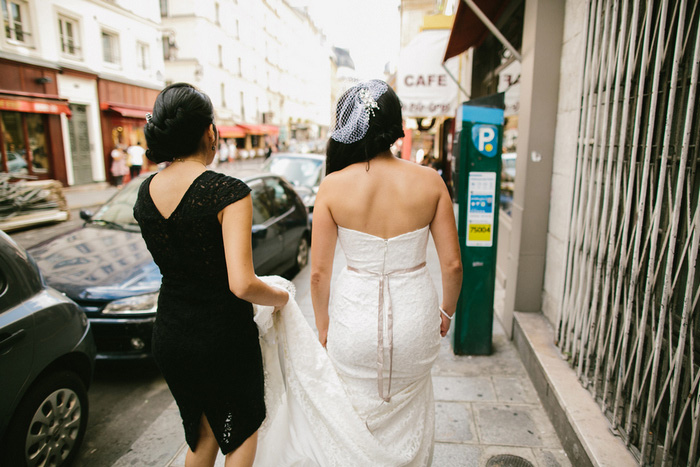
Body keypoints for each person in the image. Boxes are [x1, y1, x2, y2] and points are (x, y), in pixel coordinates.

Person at [253, 79, 462, 466]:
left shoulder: (332, 187)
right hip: (416, 320)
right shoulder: (430, 182)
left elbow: (318, 273)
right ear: (394, 126)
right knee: (411, 408)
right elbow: (452, 264)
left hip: (354, 320)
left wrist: (323, 324)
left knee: (353, 417)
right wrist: (446, 311)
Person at [133, 83, 288, 467]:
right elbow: (242, 283)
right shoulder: (227, 191)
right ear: (209, 132)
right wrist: (282, 297)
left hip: (170, 333)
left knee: (202, 437)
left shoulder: (144, 192)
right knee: (241, 433)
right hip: (222, 338)